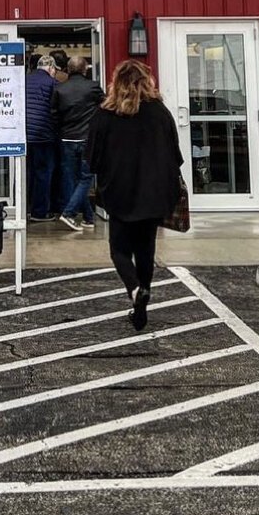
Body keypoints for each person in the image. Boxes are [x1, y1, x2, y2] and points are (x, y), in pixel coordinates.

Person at [86, 59, 183, 330]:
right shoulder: (160, 112)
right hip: (154, 191)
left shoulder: (105, 114)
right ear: (146, 81)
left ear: (116, 83)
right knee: (145, 248)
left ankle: (134, 290)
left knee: (119, 249)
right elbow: (176, 155)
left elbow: (91, 159)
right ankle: (143, 299)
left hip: (119, 190)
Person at [54, 54, 103, 230]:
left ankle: (88, 218)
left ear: (67, 69)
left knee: (73, 180)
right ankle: (69, 213)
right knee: (86, 179)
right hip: (87, 139)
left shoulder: (60, 88)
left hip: (66, 138)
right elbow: (105, 108)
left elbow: (54, 114)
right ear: (84, 69)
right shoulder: (93, 87)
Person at [25, 53, 60, 220]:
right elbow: (57, 110)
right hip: (43, 134)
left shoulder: (23, 80)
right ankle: (40, 212)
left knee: (26, 172)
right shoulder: (53, 83)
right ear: (51, 68)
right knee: (43, 173)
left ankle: (23, 208)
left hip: (23, 135)